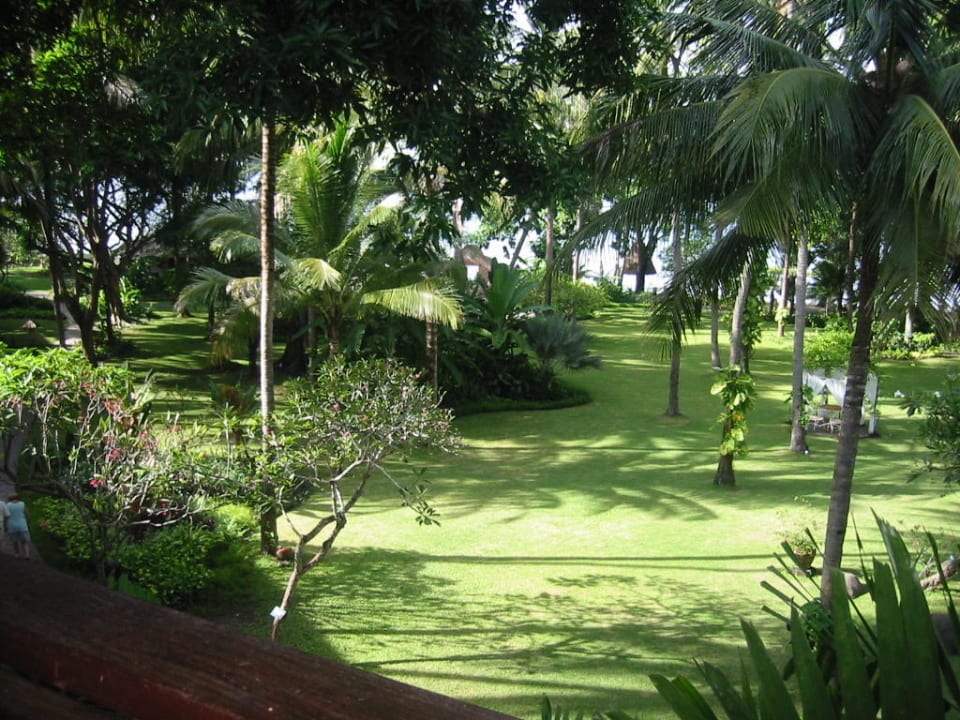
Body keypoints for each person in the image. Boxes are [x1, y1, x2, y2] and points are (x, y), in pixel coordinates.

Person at [6, 494, 30, 560]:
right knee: (24, 541)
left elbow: (6, 515)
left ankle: (17, 554)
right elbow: (27, 514)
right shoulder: (22, 504)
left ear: (10, 498)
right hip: (22, 525)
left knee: (15, 541)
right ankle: (27, 555)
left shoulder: (8, 505)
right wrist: (27, 520)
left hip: (12, 525)